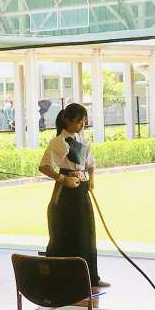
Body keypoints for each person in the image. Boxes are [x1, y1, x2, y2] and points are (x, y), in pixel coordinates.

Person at [38, 103, 109, 288]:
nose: (82, 125)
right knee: (65, 233)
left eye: (84, 121)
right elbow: (44, 166)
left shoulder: (82, 140)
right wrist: (63, 179)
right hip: (65, 194)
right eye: (78, 121)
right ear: (67, 121)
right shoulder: (58, 142)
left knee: (86, 232)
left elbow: (90, 164)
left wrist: (91, 180)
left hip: (81, 190)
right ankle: (63, 279)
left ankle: (90, 278)